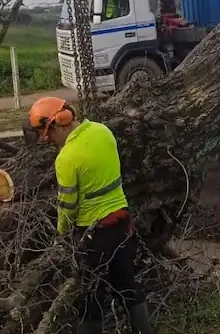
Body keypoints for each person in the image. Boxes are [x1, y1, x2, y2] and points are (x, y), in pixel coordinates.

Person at [26, 96, 154, 334]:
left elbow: (68, 206)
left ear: (57, 123)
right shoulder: (102, 131)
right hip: (122, 222)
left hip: (94, 234)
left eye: (48, 134)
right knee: (127, 284)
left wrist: (61, 234)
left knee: (91, 295)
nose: (50, 140)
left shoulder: (66, 158)